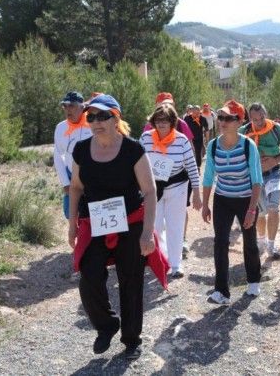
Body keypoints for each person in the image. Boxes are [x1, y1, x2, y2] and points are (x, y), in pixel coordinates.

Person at [68, 94, 168, 360]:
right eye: (91, 117)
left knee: (131, 279)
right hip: (95, 222)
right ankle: (107, 324)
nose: (96, 122)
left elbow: (149, 191)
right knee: (89, 278)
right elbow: (76, 188)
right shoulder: (81, 150)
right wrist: (71, 224)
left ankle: (131, 337)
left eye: (103, 116)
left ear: (116, 118)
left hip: (131, 222)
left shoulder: (133, 150)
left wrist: (147, 233)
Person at [202, 100, 263, 304]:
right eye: (221, 117)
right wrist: (204, 204)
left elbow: (257, 181)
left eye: (229, 118)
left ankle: (253, 281)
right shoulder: (213, 146)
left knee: (250, 242)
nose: (223, 122)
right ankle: (221, 291)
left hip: (246, 199)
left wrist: (252, 210)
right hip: (223, 199)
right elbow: (209, 177)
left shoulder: (248, 145)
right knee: (220, 242)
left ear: (239, 121)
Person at [140, 102, 202, 278]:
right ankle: (159, 261)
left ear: (172, 122)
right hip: (153, 190)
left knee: (175, 226)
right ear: (153, 121)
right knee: (155, 226)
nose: (161, 124)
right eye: (158, 120)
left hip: (177, 187)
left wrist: (196, 193)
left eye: (166, 120)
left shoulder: (181, 140)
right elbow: (136, 164)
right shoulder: (145, 138)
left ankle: (176, 265)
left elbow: (192, 167)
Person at [239, 103, 280, 259]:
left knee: (273, 207)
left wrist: (277, 159)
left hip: (274, 174)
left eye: (262, 117)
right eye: (255, 119)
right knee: (261, 213)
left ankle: (271, 244)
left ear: (266, 113)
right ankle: (261, 241)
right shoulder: (244, 132)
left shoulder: (275, 128)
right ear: (250, 118)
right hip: (256, 178)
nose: (259, 122)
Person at [53, 91, 92, 219]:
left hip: (92, 176)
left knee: (92, 213)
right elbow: (58, 156)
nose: (68, 110)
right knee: (70, 214)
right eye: (65, 106)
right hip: (71, 176)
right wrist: (65, 183)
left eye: (72, 106)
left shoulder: (93, 124)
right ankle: (75, 237)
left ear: (82, 107)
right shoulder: (60, 127)